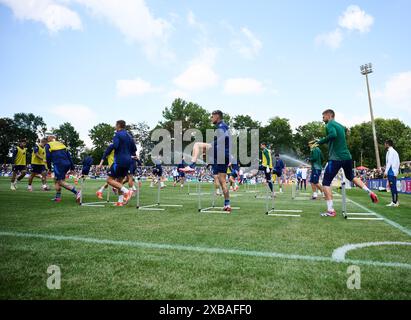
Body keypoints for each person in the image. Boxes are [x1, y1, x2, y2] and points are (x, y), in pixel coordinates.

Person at [313, 109, 378, 217]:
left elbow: (333, 135)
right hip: (347, 157)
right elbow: (342, 134)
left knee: (326, 182)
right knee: (351, 177)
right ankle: (369, 191)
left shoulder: (329, 124)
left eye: (323, 116)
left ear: (329, 116)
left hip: (336, 158)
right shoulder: (340, 125)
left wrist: (320, 142)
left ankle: (331, 210)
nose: (322, 118)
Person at [180, 110, 232, 212]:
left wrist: (212, 144)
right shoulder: (223, 126)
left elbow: (224, 137)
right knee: (222, 182)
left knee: (197, 145)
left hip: (221, 151)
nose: (211, 118)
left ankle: (192, 165)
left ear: (217, 116)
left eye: (212, 117)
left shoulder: (221, 125)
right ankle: (227, 204)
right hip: (224, 156)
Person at [96, 120, 136, 206]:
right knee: (119, 181)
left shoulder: (117, 134)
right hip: (128, 161)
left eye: (115, 125)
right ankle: (120, 201)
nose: (115, 127)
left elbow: (115, 146)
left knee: (109, 180)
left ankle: (127, 192)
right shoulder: (130, 136)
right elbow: (134, 149)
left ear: (118, 125)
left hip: (119, 160)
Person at [45, 135, 81, 203]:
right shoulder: (62, 144)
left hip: (58, 164)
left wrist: (49, 168)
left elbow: (48, 157)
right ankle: (58, 197)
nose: (47, 139)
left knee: (60, 181)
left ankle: (77, 192)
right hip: (67, 164)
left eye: (48, 138)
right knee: (56, 179)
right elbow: (69, 156)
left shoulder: (48, 145)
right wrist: (72, 167)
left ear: (50, 139)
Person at [384, 139, 400, 207]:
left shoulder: (391, 151)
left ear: (388, 144)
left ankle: (395, 202)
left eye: (385, 144)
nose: (384, 145)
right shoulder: (392, 151)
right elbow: (397, 162)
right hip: (392, 172)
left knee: (393, 187)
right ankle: (395, 201)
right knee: (392, 187)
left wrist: (385, 172)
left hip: (391, 172)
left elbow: (389, 162)